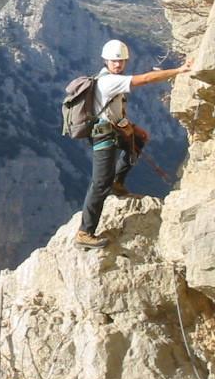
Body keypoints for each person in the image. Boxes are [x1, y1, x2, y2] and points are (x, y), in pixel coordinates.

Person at [75, 39, 192, 249]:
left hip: (113, 128)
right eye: (114, 61)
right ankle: (85, 232)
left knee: (138, 139)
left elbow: (112, 109)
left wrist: (129, 126)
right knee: (100, 183)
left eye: (121, 61)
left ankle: (118, 183)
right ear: (105, 61)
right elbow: (146, 79)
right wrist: (179, 70)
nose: (118, 65)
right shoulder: (109, 81)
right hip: (103, 135)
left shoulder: (109, 78)